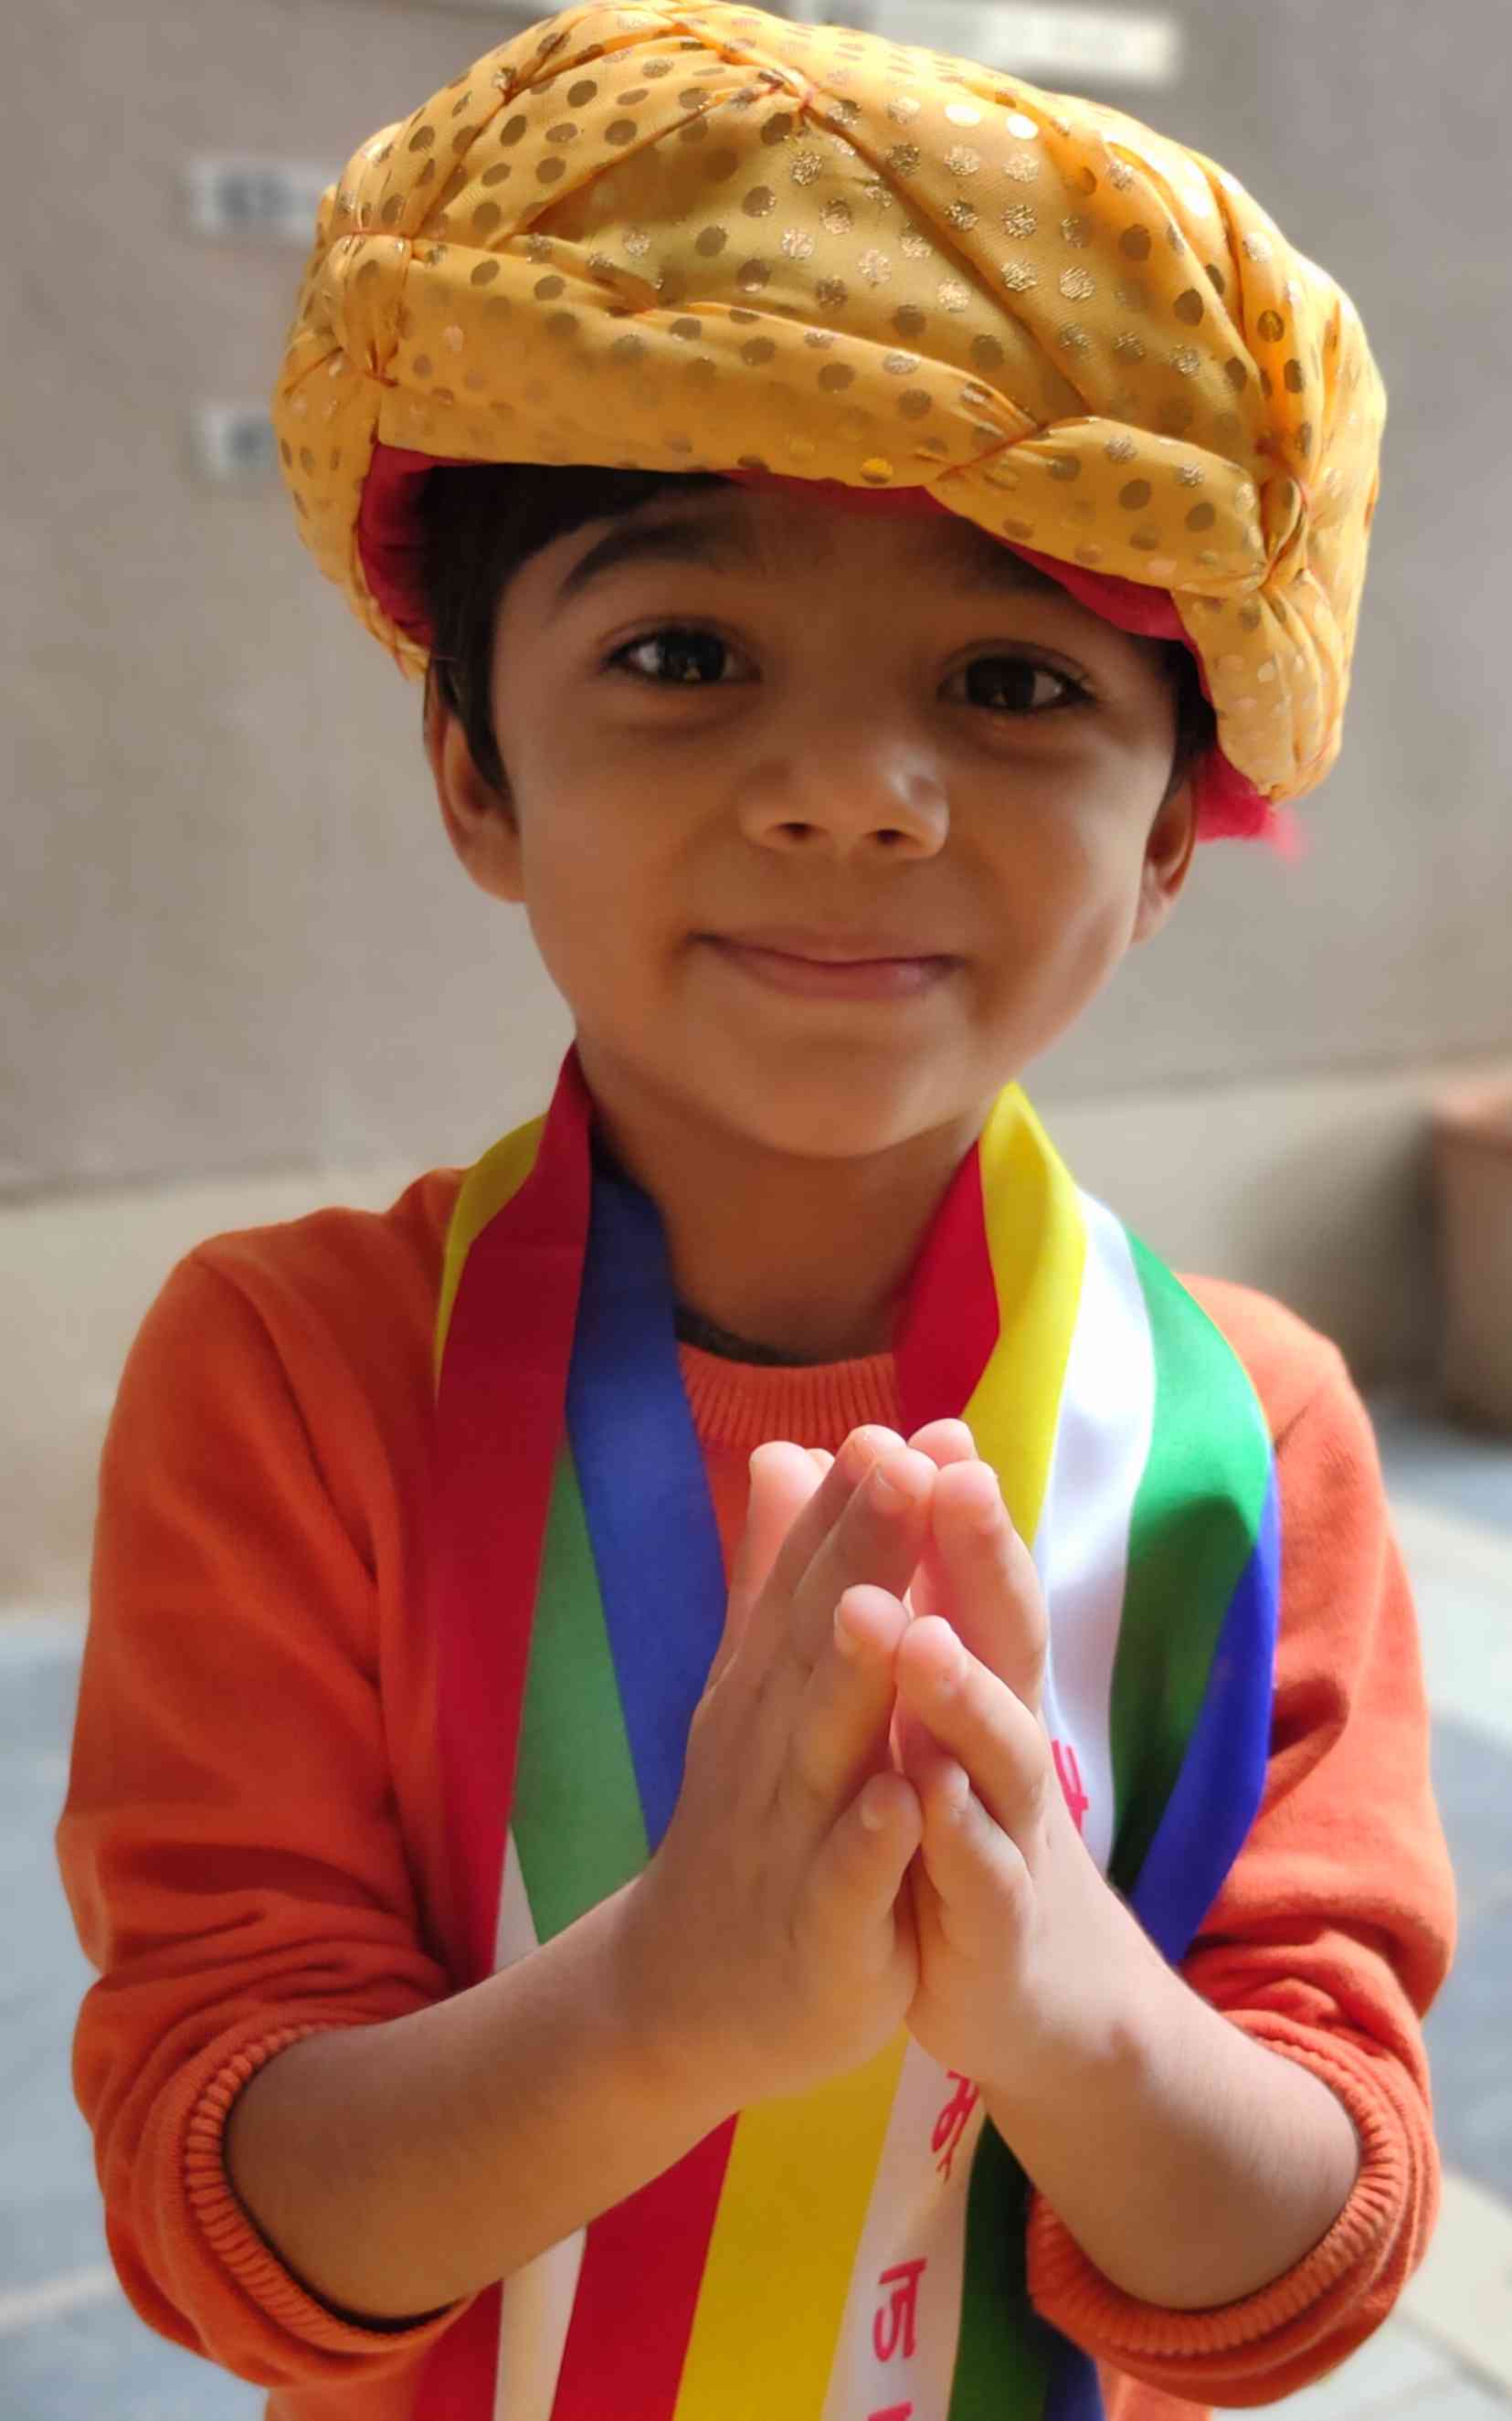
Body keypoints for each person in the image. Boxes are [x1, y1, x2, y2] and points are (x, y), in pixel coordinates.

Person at [58, 5, 1455, 2418]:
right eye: (682, 652)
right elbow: (224, 2222)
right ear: (473, 768)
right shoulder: (290, 1378)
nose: (854, 787)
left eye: (1012, 678)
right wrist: (665, 2003)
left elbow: (1310, 2256)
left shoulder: (1249, 1442)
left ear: (1166, 835)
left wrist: (1068, 2007)